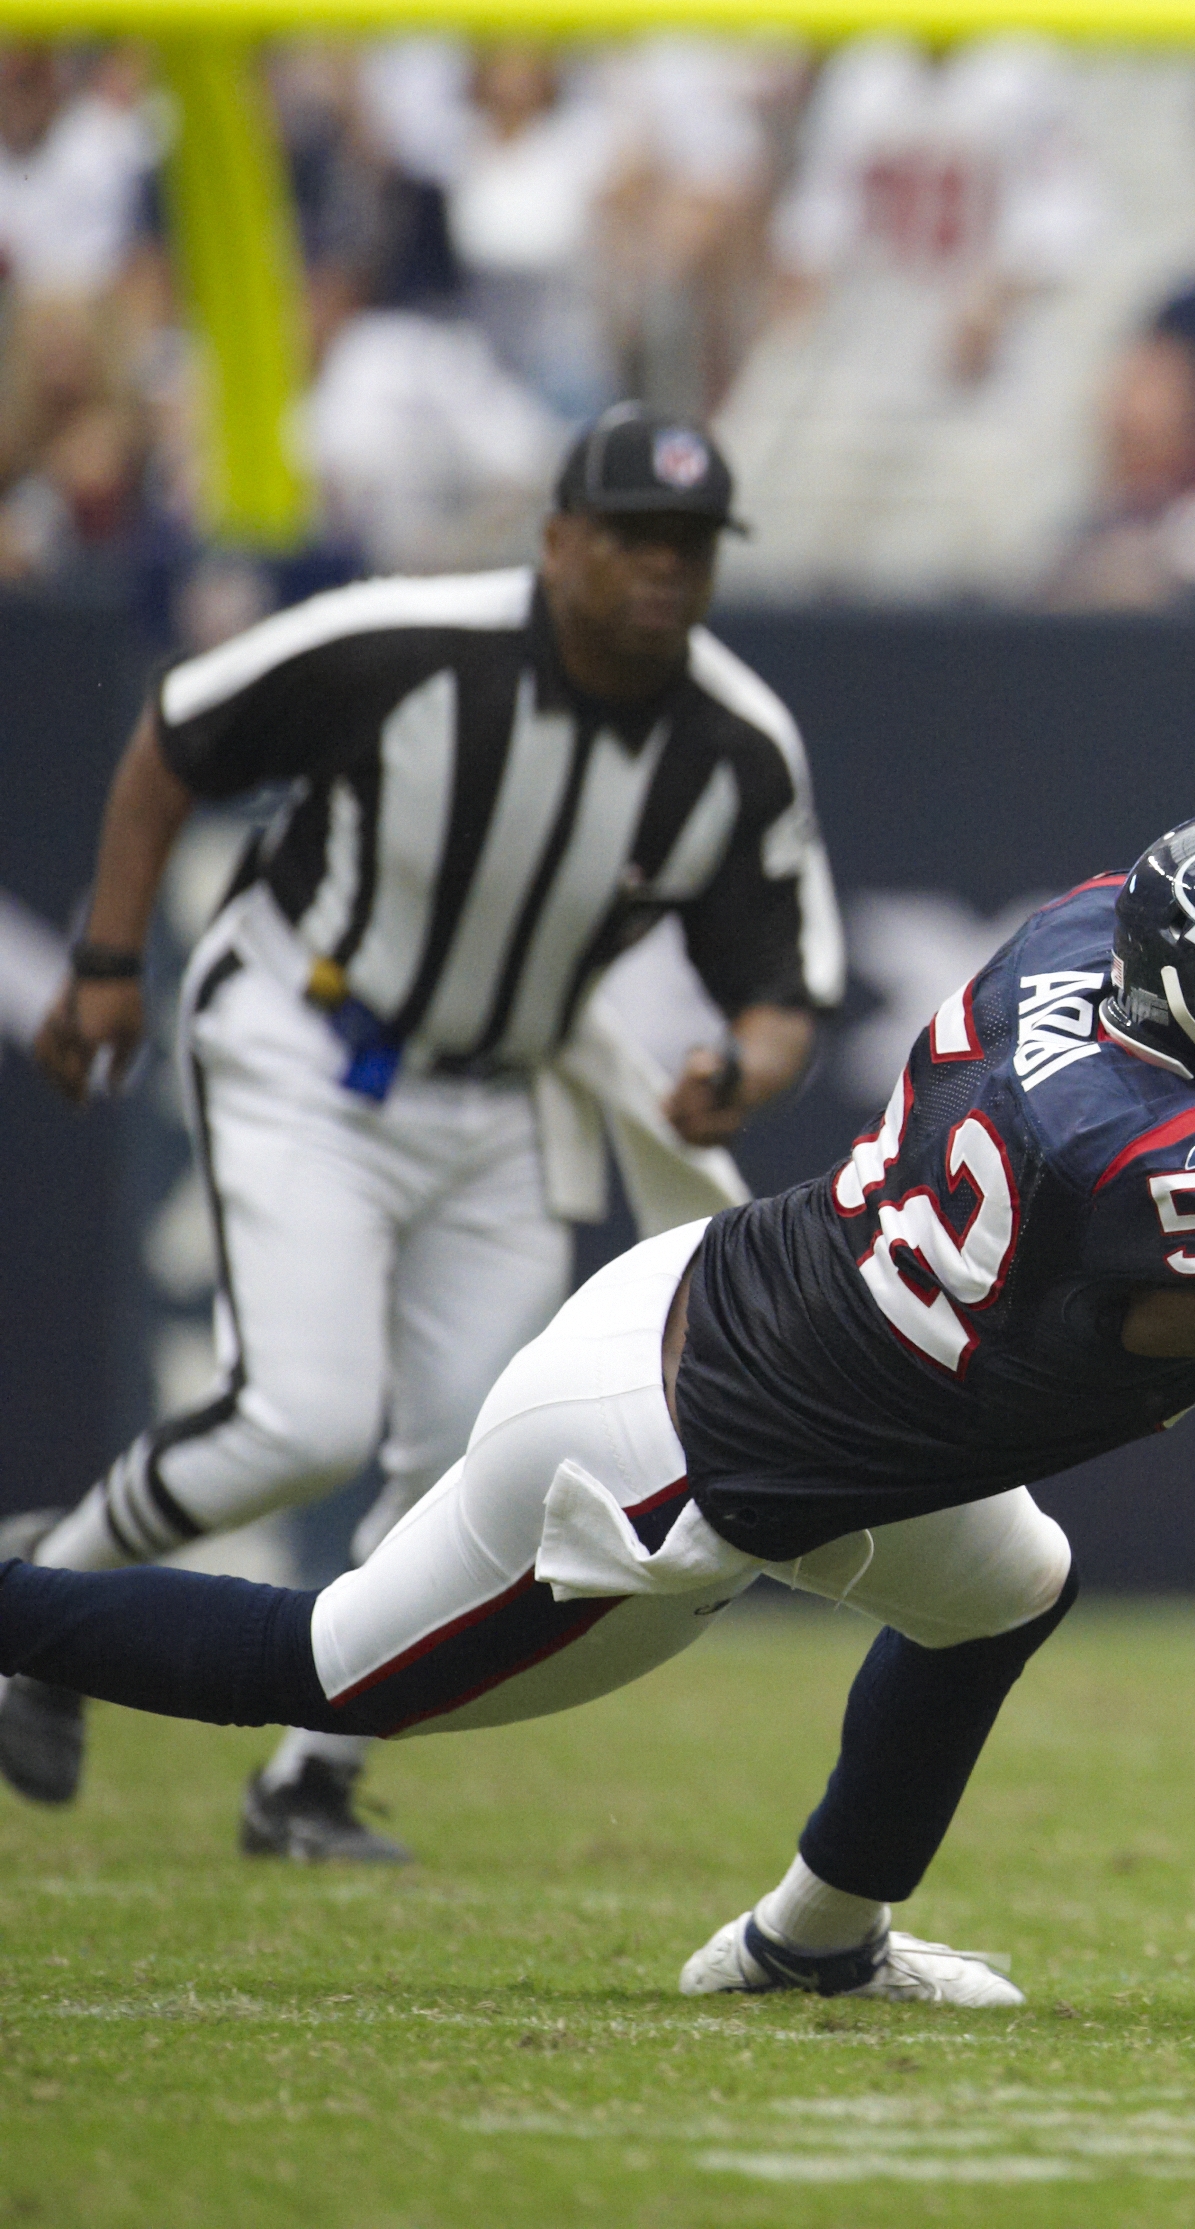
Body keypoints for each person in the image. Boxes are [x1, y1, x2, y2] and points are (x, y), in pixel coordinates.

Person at [0, 802, 1195, 2003]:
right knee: (326, 1668)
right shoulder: (1172, 1159)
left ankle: (812, 1939)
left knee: (1001, 1578)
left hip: (771, 1321)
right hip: (666, 1449)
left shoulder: (1092, 943)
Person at [9, 406, 836, 1861]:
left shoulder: (735, 742)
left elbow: (784, 985)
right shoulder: (409, 643)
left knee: (481, 1457)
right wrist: (107, 957)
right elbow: (178, 734)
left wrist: (738, 1070)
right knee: (301, 1419)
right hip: (311, 1037)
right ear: (557, 540)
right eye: (635, 536)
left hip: (514, 1088)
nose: (663, 569)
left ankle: (308, 1780)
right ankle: (38, 1624)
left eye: (691, 545)